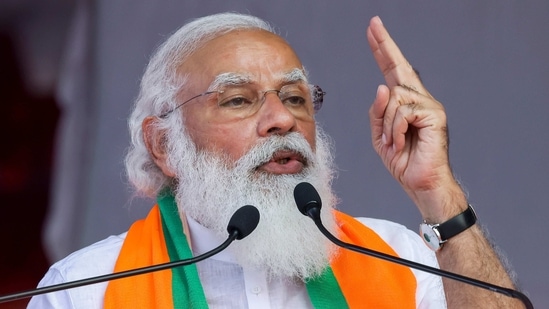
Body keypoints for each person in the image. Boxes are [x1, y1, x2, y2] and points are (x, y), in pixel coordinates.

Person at [28, 12, 521, 308]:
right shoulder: (87, 290)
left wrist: (438, 191)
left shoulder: (400, 260)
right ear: (164, 146)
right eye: (239, 100)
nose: (281, 119)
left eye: (295, 97)